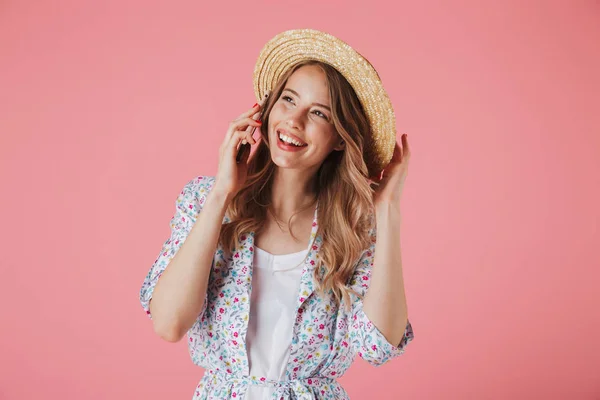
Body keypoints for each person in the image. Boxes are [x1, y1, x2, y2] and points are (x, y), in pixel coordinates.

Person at [140, 28, 415, 400]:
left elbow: (378, 346)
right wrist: (222, 193)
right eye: (288, 100)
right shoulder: (205, 199)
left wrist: (387, 212)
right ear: (266, 109)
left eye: (319, 113)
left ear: (339, 139)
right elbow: (169, 323)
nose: (294, 121)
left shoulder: (355, 227)